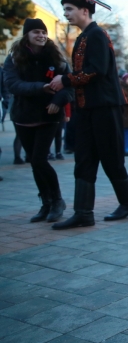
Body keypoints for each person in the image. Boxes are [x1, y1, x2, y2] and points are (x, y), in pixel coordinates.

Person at [49, 0, 128, 230]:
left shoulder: (96, 35)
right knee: (84, 159)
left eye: (69, 8)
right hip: (88, 109)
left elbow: (96, 71)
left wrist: (65, 79)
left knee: (111, 159)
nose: (65, 13)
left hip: (105, 107)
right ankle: (83, 213)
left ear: (84, 10)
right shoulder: (84, 36)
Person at [3, 18, 74, 220]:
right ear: (27, 35)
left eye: (43, 32)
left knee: (39, 159)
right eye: (36, 32)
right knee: (34, 163)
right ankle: (46, 203)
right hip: (23, 115)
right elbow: (12, 84)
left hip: (49, 115)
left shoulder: (56, 58)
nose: (41, 36)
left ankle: (57, 201)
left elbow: (69, 85)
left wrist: (58, 101)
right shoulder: (14, 58)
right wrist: (39, 87)